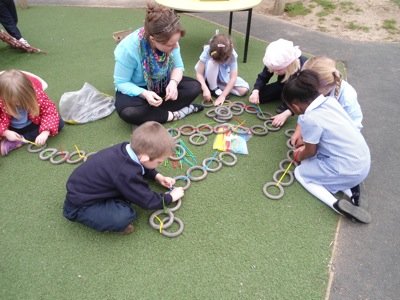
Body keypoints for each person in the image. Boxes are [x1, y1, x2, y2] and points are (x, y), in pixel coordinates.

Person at [63, 121, 184, 234]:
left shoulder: (128, 149)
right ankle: (77, 213)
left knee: (127, 193)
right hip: (82, 204)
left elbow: (141, 165)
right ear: (145, 158)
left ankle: (114, 199)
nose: (159, 164)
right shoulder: (125, 171)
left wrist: (157, 176)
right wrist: (170, 197)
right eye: (159, 162)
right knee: (124, 216)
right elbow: (147, 200)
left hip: (89, 187)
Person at [282, 70, 371, 223]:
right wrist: (306, 144)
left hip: (348, 169)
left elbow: (310, 152)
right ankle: (352, 192)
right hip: (363, 162)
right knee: (317, 163)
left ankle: (335, 204)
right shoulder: (331, 102)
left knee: (301, 173)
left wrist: (299, 155)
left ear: (295, 108)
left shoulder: (309, 118)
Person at [113, 2, 203, 126]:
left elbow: (178, 67)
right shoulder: (128, 48)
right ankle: (173, 114)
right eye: (170, 45)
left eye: (176, 42)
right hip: (138, 89)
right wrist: (144, 94)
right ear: (153, 40)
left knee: (194, 87)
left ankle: (152, 113)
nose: (174, 47)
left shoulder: (172, 41)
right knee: (129, 112)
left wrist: (173, 83)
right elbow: (121, 83)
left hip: (161, 84)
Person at [290, 56, 363, 147]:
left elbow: (353, 130)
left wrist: (311, 143)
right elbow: (306, 109)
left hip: (340, 136)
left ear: (325, 87)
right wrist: (299, 129)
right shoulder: (317, 90)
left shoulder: (347, 97)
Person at [0, 69, 64, 156]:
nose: (19, 104)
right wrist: (5, 132)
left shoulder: (37, 95)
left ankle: (20, 140)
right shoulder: (1, 100)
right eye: (15, 102)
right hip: (11, 128)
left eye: (22, 100)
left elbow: (50, 112)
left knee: (59, 122)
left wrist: (45, 131)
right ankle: (14, 139)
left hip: (34, 124)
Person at [249, 38, 308, 127]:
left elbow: (306, 96)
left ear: (289, 65)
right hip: (282, 86)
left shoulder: (305, 68)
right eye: (273, 70)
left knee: (291, 105)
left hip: (299, 93)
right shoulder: (274, 61)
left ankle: (287, 103)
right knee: (260, 96)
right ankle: (284, 97)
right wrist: (256, 91)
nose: (275, 72)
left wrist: (288, 112)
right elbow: (263, 76)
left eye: (278, 70)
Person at [194, 32, 249, 106]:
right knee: (212, 63)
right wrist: (205, 89)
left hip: (223, 75)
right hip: (208, 73)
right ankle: (213, 88)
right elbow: (199, 73)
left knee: (243, 90)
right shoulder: (208, 50)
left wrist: (223, 95)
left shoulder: (232, 54)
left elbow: (233, 78)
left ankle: (213, 86)